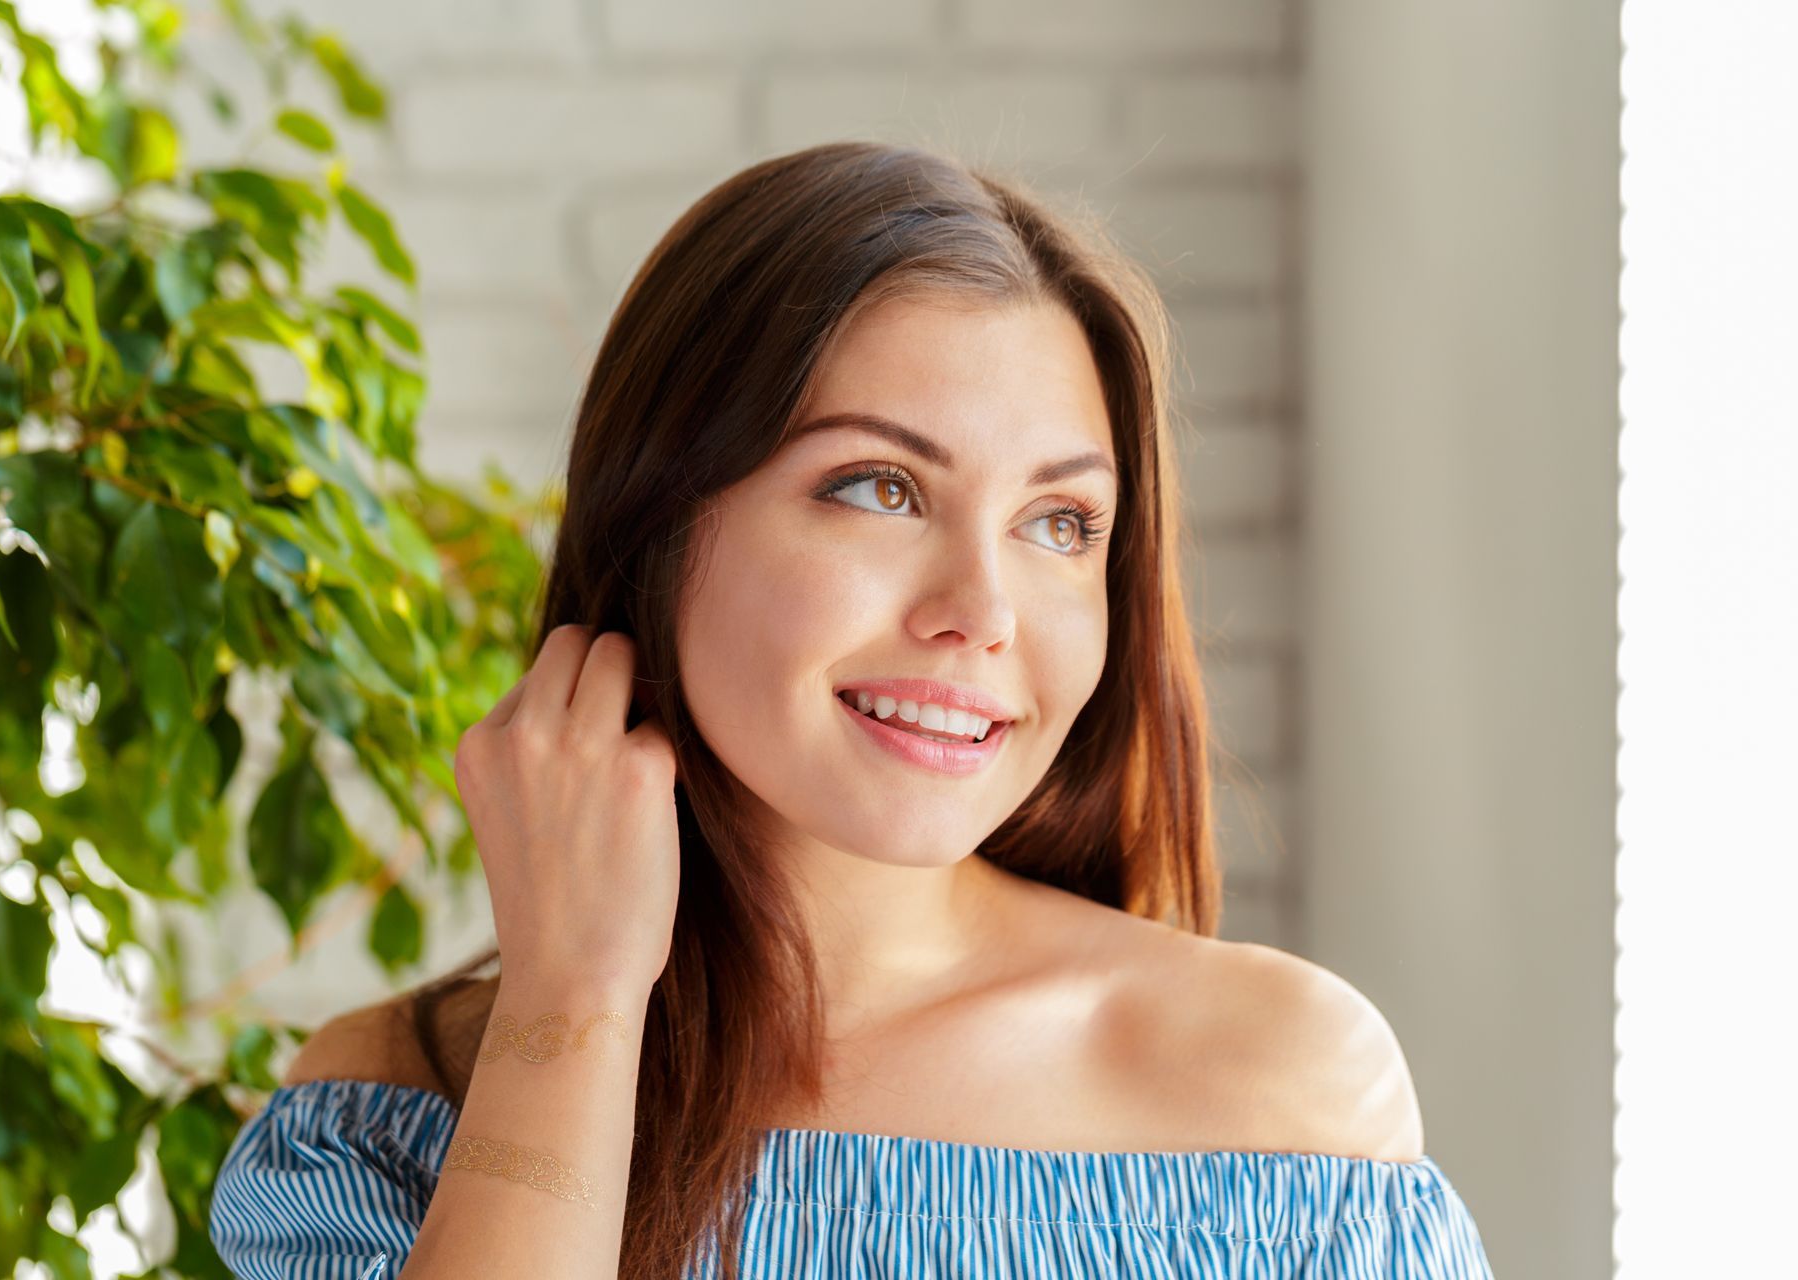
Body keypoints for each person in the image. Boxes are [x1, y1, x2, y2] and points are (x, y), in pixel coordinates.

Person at [207, 140, 1495, 1279]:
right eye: (880, 487)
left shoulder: (1282, 1100)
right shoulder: (391, 1114)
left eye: (1060, 523)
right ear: (659, 524)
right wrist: (574, 1006)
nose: (982, 608)